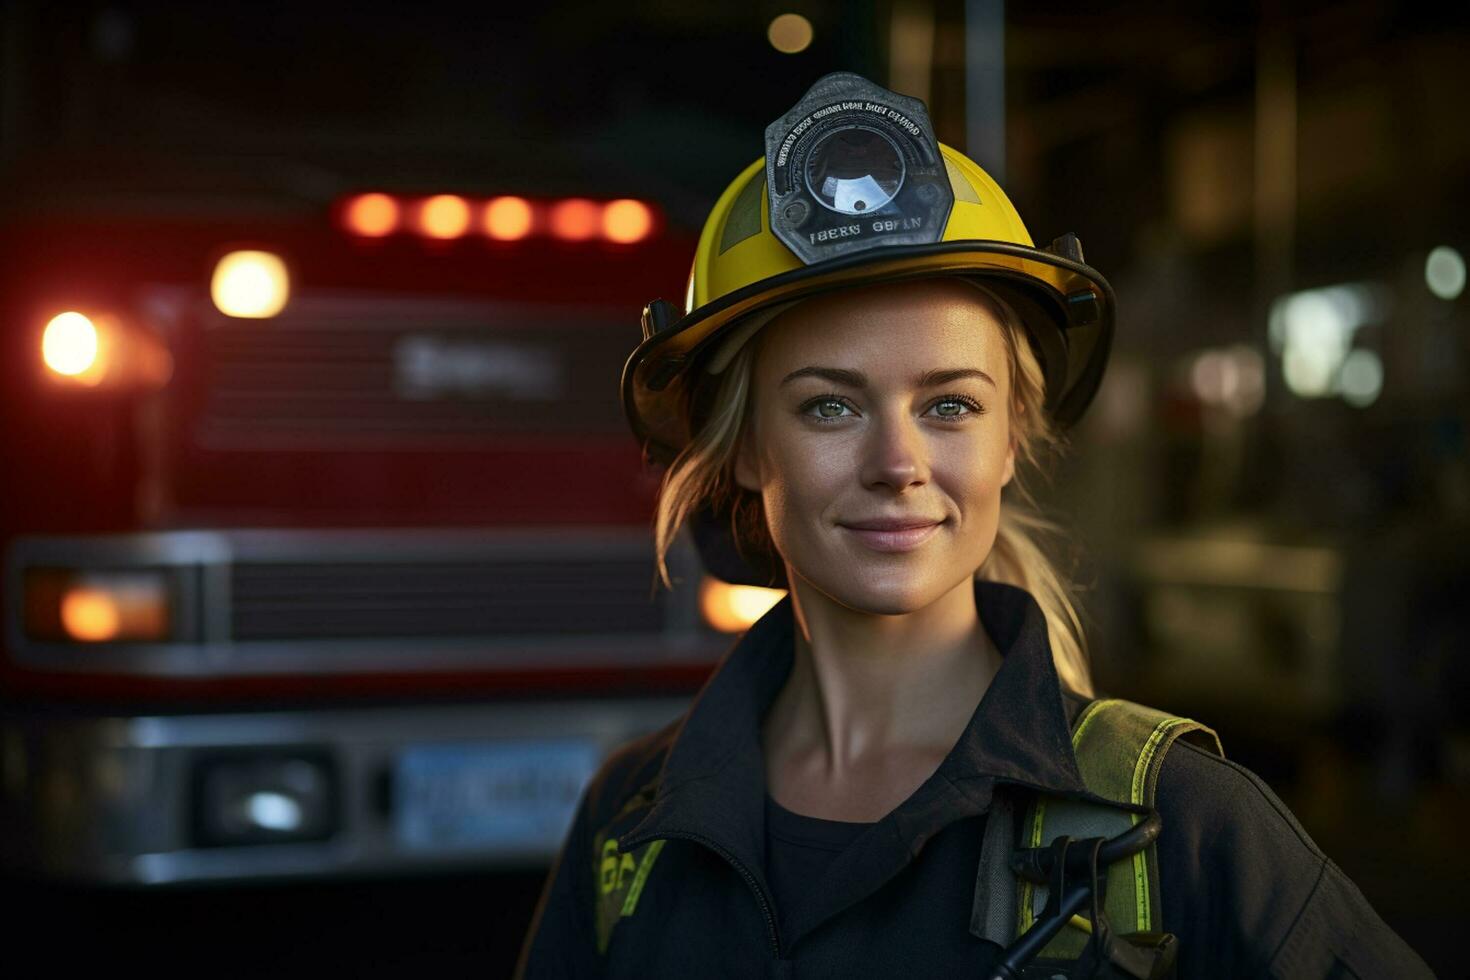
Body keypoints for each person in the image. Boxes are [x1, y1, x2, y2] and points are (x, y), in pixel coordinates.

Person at [515, 72, 1431, 979]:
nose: (898, 463)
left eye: (950, 405)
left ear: (1010, 440)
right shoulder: (628, 832)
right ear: (747, 450)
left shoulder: (1185, 829)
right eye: (830, 407)